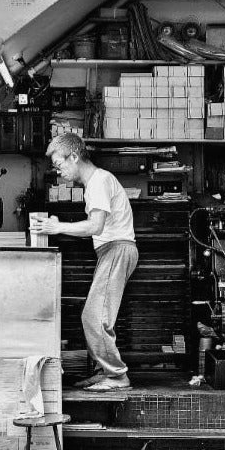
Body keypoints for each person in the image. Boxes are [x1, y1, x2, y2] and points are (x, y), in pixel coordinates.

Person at [32, 133, 138, 391]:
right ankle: (105, 371)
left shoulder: (99, 181)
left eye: (60, 165)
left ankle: (116, 375)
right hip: (111, 251)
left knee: (94, 316)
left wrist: (57, 227)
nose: (59, 172)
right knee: (96, 315)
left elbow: (95, 225)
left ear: (75, 156)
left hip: (117, 249)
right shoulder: (95, 183)